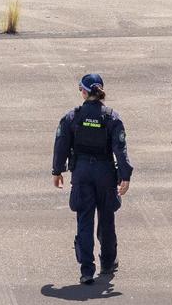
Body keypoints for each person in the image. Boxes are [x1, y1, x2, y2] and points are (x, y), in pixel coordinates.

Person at [52, 74, 133, 285]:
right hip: (105, 174)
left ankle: (86, 269)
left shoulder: (73, 117)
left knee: (84, 219)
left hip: (81, 174)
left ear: (85, 92)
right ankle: (107, 262)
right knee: (106, 218)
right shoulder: (111, 117)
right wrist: (125, 175)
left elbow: (61, 143)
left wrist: (57, 170)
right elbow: (120, 148)